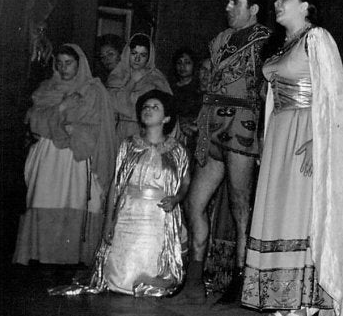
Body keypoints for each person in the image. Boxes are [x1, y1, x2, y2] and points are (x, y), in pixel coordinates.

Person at [241, 0, 343, 316]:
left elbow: (334, 96)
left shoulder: (316, 38)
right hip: (280, 133)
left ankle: (307, 301)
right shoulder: (282, 45)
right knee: (278, 212)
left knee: (301, 212)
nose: (277, 3)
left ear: (305, 6)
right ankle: (282, 296)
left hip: (306, 131)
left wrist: (320, 142)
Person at [184, 0, 273, 300]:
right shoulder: (221, 39)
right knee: (194, 202)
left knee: (239, 205)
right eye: (228, 0)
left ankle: (241, 278)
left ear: (254, 8)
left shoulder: (266, 41)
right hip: (213, 126)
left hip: (242, 128)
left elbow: (268, 90)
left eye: (235, 2)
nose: (228, 6)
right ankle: (194, 278)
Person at [14, 45, 117, 273]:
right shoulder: (46, 88)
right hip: (48, 156)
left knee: (75, 200)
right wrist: (61, 107)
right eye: (59, 63)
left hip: (77, 155)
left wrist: (74, 129)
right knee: (45, 198)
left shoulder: (93, 91)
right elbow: (35, 121)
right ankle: (43, 255)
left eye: (68, 63)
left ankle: (71, 258)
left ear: (80, 64)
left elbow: (99, 127)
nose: (63, 68)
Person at [82, 91, 190, 296]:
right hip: (128, 210)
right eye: (145, 107)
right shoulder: (129, 145)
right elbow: (116, 184)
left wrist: (176, 199)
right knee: (119, 271)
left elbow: (185, 183)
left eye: (155, 107)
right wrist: (108, 222)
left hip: (159, 214)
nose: (148, 110)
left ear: (166, 118)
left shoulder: (177, 150)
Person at [106, 32, 172, 139]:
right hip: (119, 132)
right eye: (134, 53)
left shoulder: (157, 79)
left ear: (149, 57)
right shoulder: (117, 76)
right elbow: (113, 105)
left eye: (143, 55)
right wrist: (132, 82)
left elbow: (168, 109)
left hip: (148, 132)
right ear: (127, 53)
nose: (137, 59)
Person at [170, 47, 204, 154]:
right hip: (174, 134)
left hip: (193, 136)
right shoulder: (170, 88)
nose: (182, 66)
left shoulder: (199, 89)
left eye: (187, 63)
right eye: (179, 63)